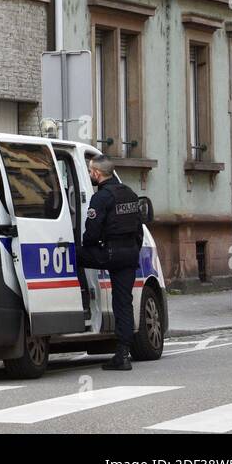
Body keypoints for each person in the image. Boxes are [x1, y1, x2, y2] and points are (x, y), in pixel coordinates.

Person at [79, 155, 145, 371]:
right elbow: (138, 229)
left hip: (110, 253)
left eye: (90, 171)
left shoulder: (101, 198)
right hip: (129, 254)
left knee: (74, 254)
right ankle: (123, 353)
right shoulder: (130, 194)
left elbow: (91, 232)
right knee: (123, 302)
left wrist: (90, 245)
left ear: (97, 174)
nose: (90, 175)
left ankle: (81, 298)